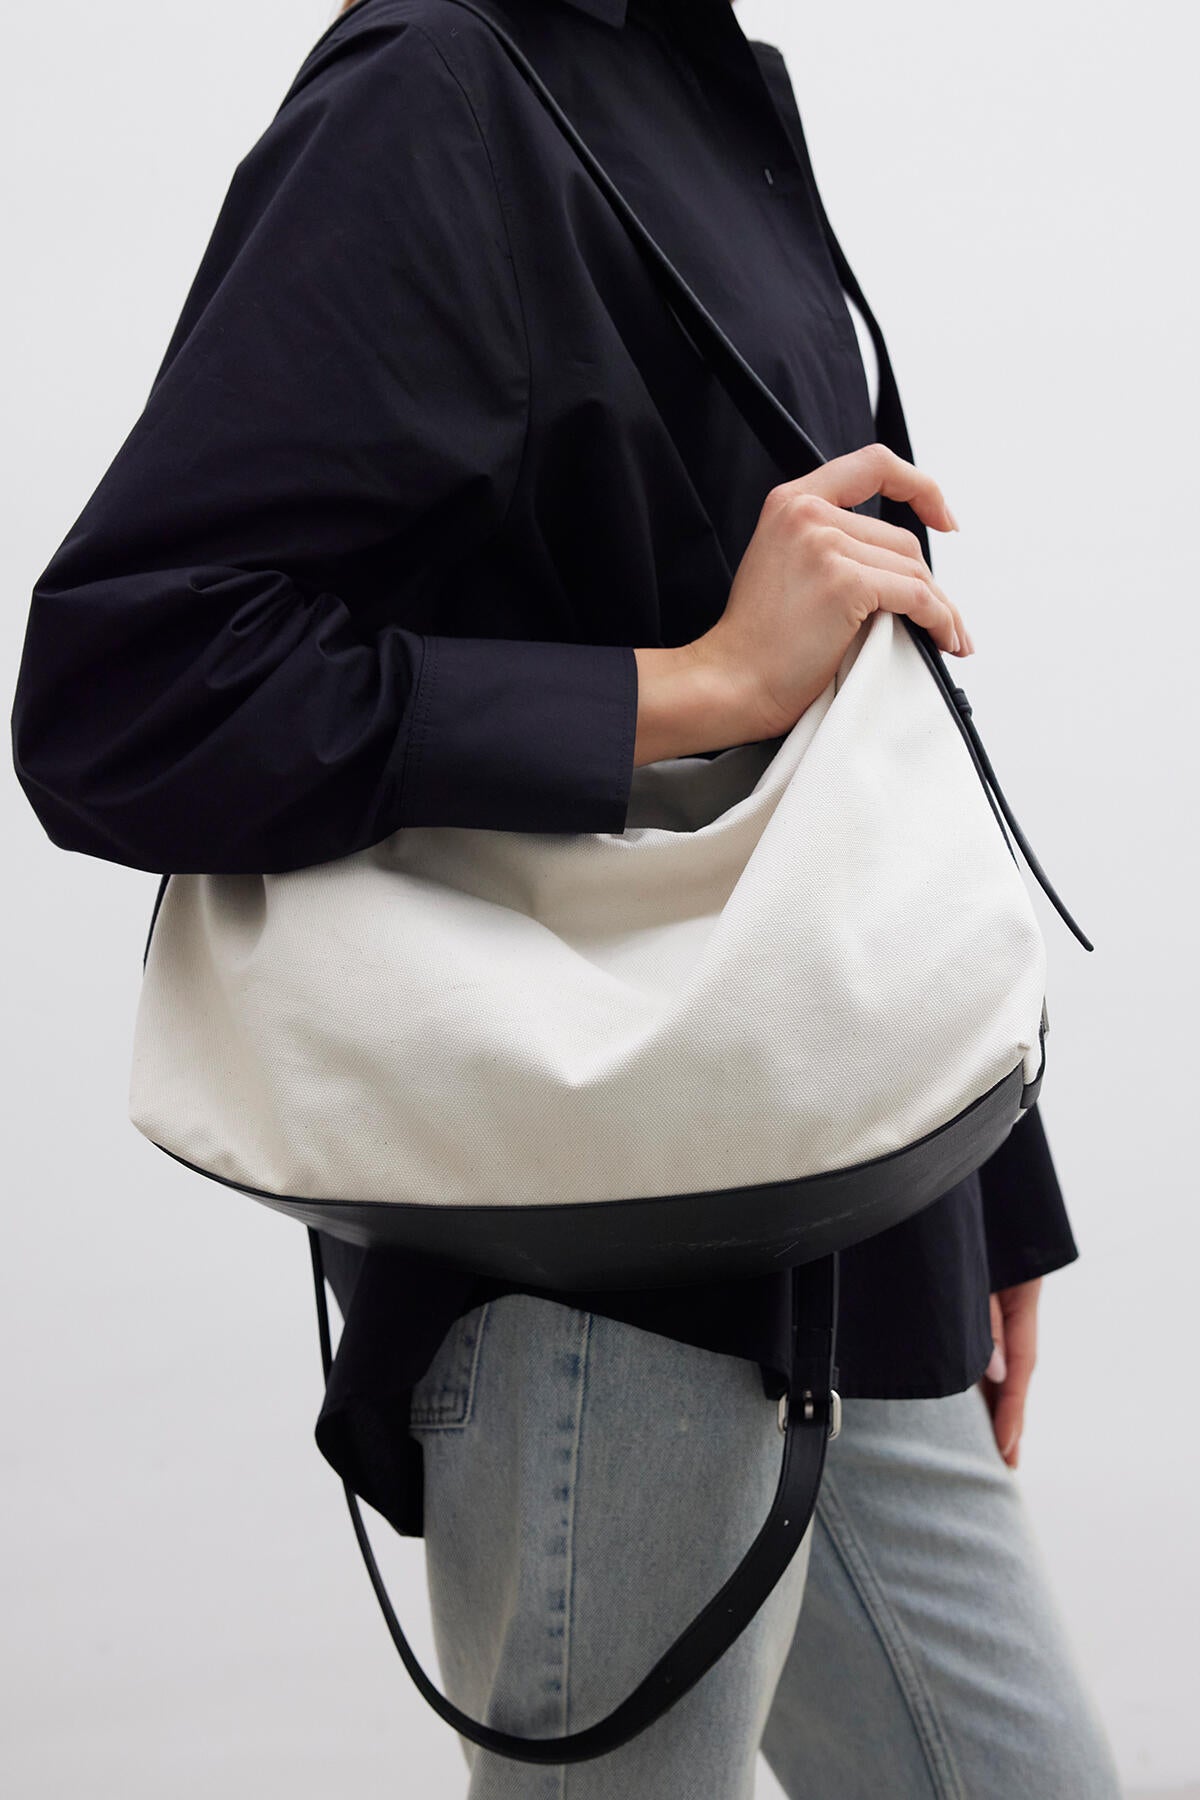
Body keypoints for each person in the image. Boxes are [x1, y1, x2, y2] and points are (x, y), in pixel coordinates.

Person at [10, 0, 1125, 1792]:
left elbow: (865, 696)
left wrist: (989, 1172)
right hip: (601, 1265)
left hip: (848, 1199)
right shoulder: (438, 88)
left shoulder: (707, 75)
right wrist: (693, 684)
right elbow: (128, 692)